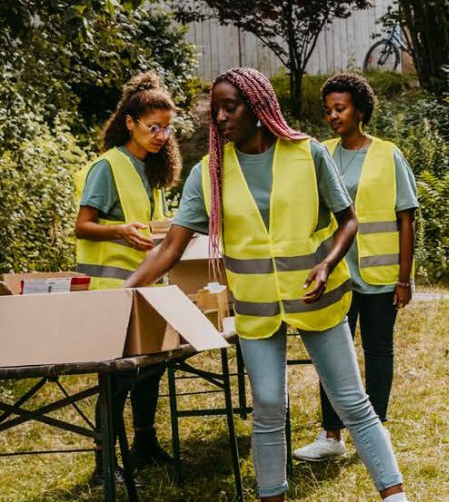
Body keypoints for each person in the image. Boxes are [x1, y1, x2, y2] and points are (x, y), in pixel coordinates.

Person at [123, 68, 411, 502]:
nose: (219, 117)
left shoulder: (307, 153)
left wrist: (328, 263)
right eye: (214, 109)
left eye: (230, 106)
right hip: (256, 308)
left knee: (352, 402)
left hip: (318, 298)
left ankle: (395, 496)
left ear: (258, 107)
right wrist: (123, 290)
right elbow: (171, 248)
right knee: (270, 407)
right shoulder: (210, 173)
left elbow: (347, 219)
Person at [293, 73, 418, 462]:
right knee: (332, 355)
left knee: (378, 351)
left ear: (360, 110)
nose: (332, 116)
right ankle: (331, 435)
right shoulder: (321, 154)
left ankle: (374, 431)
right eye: (328, 109)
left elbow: (407, 218)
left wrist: (405, 278)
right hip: (336, 275)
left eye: (340, 108)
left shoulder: (388, 154)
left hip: (380, 277)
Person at [73, 72, 182, 484]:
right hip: (111, 291)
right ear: (130, 122)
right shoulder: (108, 166)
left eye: (167, 128)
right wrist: (120, 230)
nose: (161, 135)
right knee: (116, 380)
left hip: (144, 289)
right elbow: (84, 225)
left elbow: (146, 225)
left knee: (149, 370)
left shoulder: (147, 169)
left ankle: (145, 442)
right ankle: (103, 464)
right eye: (153, 127)